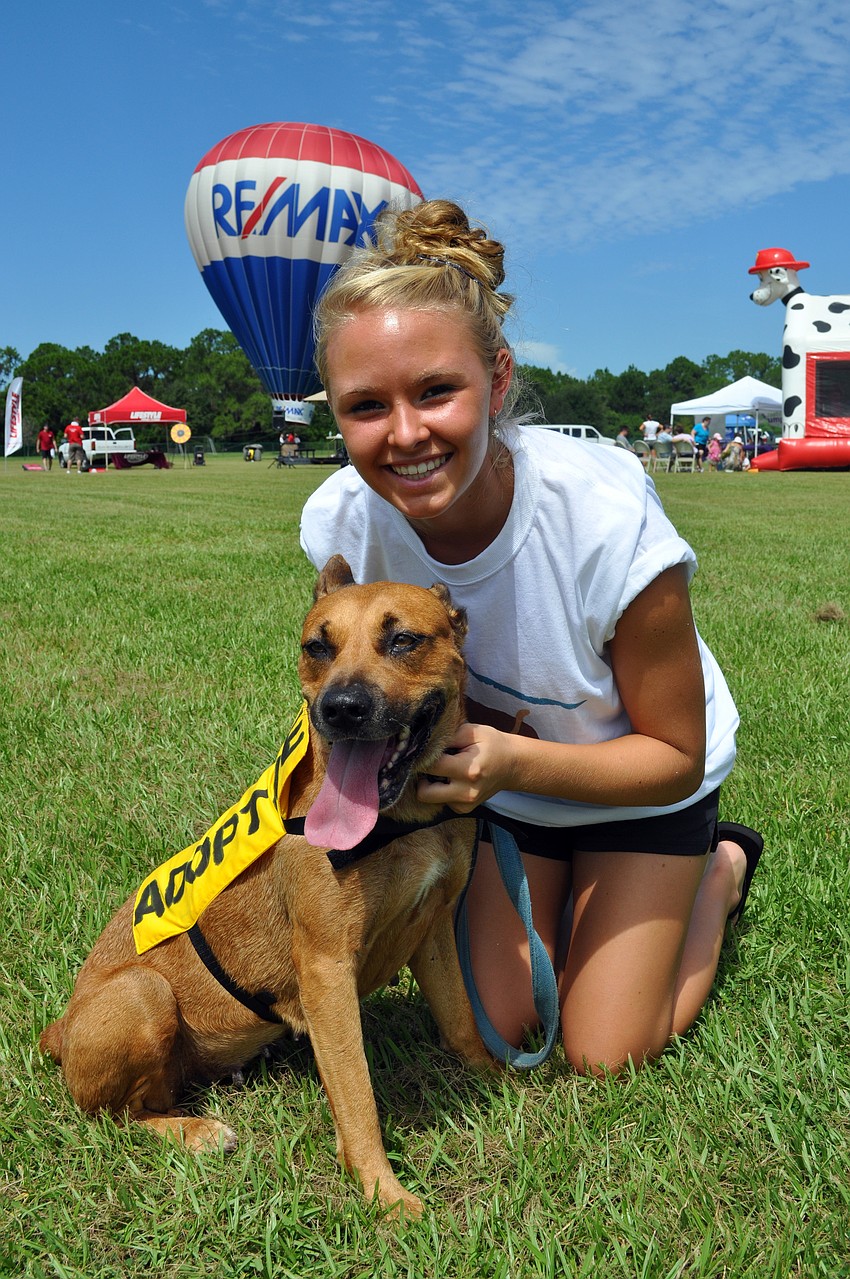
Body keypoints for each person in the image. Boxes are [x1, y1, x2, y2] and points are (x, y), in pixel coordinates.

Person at [300, 199, 763, 1077]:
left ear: (499, 379)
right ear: (335, 408)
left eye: (437, 390)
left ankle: (725, 867)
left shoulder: (603, 517)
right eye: (367, 405)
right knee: (508, 1026)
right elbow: (345, 683)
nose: (405, 434)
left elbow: (671, 750)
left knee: (600, 1047)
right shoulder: (342, 524)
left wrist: (507, 764)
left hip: (644, 785)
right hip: (498, 796)